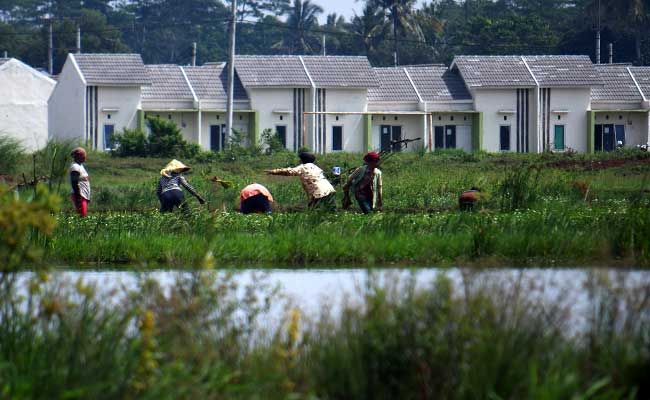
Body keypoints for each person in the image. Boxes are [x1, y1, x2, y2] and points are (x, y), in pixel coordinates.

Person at [265, 151, 336, 211]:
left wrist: (273, 171)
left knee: (314, 211)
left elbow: (289, 171)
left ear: (302, 160)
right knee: (331, 209)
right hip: (329, 190)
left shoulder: (303, 167)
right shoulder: (315, 167)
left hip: (319, 193)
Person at [69, 147, 90, 217]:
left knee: (83, 215)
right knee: (82, 216)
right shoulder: (75, 167)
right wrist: (78, 198)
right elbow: (74, 183)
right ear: (79, 156)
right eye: (84, 155)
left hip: (83, 195)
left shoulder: (80, 165)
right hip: (79, 195)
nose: (85, 157)